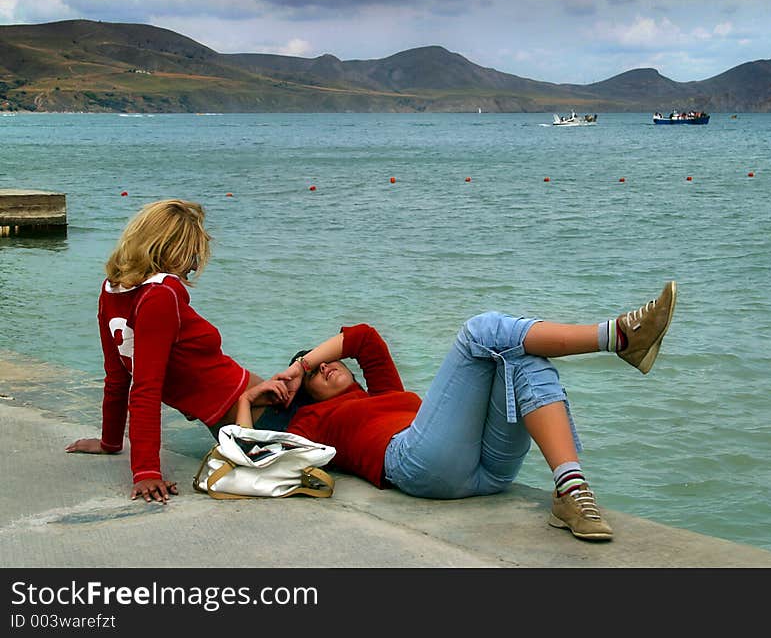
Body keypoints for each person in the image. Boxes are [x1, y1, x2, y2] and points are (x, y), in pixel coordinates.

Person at [237, 282, 677, 541]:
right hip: (416, 466)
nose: (327, 366)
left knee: (524, 357)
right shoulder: (314, 422)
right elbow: (252, 449)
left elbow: (363, 338)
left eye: (325, 361)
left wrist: (301, 365)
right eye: (316, 375)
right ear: (305, 398)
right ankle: (618, 337)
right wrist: (248, 400)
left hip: (489, 472)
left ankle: (570, 492)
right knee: (481, 330)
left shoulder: (382, 390)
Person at [65, 199, 295, 504]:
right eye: (193, 253)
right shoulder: (160, 295)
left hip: (256, 407)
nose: (195, 264)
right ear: (172, 248)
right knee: (353, 431)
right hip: (261, 418)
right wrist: (146, 472)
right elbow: (143, 388)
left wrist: (111, 441)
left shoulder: (113, 291)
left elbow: (119, 377)